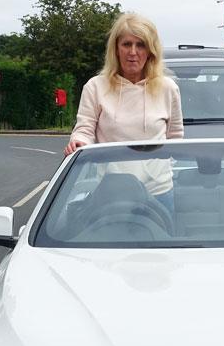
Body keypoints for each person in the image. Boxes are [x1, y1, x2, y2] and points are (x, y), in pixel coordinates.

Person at [64, 12, 182, 213]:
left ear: (151, 51)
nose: (133, 52)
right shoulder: (95, 87)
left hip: (159, 192)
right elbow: (84, 129)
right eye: (127, 44)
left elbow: (175, 137)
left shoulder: (168, 88)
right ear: (116, 49)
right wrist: (78, 141)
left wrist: (159, 171)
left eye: (141, 45)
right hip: (110, 192)